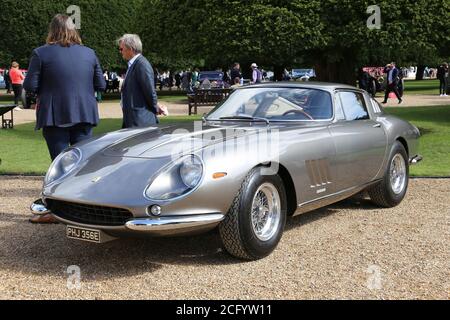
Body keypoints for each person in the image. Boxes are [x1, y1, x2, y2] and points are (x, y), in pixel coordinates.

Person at [24, 14, 106, 224]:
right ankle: (86, 210)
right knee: (84, 166)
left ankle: (58, 212)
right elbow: (101, 85)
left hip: (55, 115)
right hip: (84, 114)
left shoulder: (41, 53)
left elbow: (30, 86)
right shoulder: (89, 53)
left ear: (53, 30)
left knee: (59, 166)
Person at [118, 34, 166, 128]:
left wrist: (156, 107)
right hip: (134, 119)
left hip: (141, 121)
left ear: (131, 49)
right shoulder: (135, 64)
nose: (120, 52)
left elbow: (149, 91)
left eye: (121, 49)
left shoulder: (141, 65)